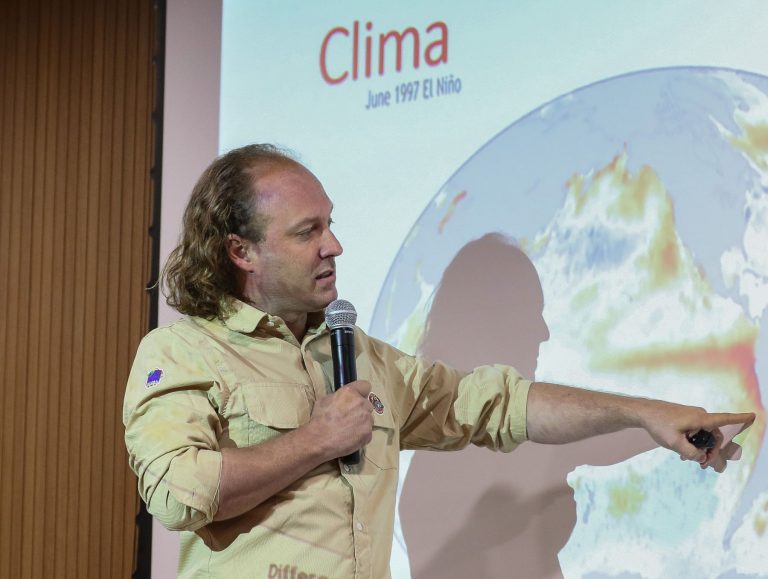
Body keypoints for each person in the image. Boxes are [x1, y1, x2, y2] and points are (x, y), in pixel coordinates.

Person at [123, 144, 754, 579]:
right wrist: (316, 440)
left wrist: (646, 414)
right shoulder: (182, 351)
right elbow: (178, 494)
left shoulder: (363, 357)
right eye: (306, 231)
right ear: (241, 251)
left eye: (331, 225)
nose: (334, 245)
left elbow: (502, 405)